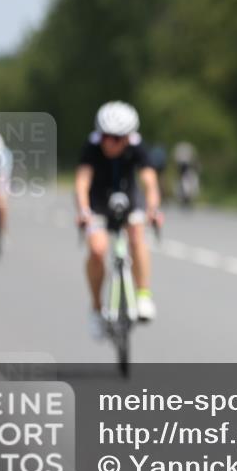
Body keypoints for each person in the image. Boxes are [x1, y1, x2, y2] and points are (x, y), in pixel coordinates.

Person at [74, 101, 162, 339]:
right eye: (104, 136)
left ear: (127, 137)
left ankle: (143, 295)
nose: (108, 142)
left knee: (136, 236)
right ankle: (95, 308)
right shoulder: (92, 146)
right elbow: (82, 181)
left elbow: (149, 182)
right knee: (97, 250)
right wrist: (83, 210)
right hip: (98, 202)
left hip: (129, 198)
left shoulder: (137, 146)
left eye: (115, 138)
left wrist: (153, 208)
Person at [172, 141, 199, 206]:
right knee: (183, 183)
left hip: (186, 172)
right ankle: (184, 196)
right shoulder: (184, 156)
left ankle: (187, 196)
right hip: (183, 173)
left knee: (187, 183)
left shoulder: (183, 153)